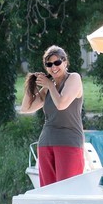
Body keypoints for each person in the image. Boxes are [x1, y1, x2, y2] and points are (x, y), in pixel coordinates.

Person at [20, 44, 85, 186]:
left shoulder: (74, 78)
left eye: (57, 62)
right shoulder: (48, 88)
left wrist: (49, 85)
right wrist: (31, 85)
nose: (53, 67)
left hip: (69, 142)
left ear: (65, 62)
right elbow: (25, 108)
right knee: (48, 191)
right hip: (46, 142)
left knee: (68, 189)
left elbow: (61, 104)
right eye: (49, 64)